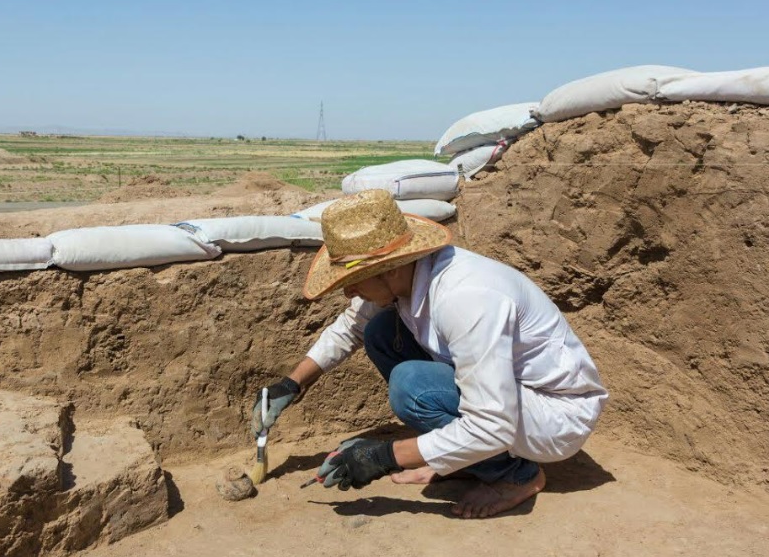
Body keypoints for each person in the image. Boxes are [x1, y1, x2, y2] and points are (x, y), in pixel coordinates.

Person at [251, 189, 608, 518]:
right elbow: (352, 327)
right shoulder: (408, 277)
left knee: (412, 385)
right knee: (380, 332)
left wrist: (385, 458)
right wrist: (292, 384)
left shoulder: (465, 298)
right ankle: (470, 459)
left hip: (555, 414)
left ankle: (516, 476)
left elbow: (492, 423)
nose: (349, 293)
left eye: (352, 281)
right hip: (510, 398)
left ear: (386, 268)